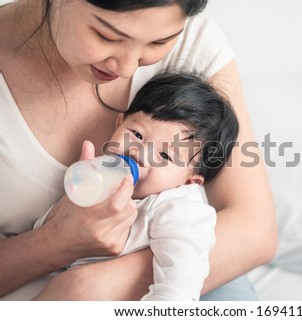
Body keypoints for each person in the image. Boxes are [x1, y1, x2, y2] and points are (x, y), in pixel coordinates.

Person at [0, 0, 277, 300]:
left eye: (159, 42)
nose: (127, 68)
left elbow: (254, 232)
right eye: (107, 36)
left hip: (193, 279)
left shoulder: (175, 210)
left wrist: (83, 290)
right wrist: (57, 240)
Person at [33, 71, 240, 301]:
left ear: (189, 180)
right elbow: (42, 233)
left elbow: (178, 287)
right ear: (119, 123)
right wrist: (72, 203)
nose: (139, 152)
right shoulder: (98, 176)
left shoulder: (177, 209)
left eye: (164, 155)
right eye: (137, 134)